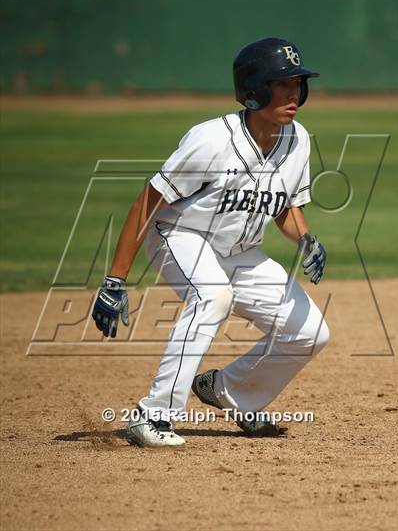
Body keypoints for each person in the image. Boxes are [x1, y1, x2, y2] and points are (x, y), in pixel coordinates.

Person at [92, 37, 329, 447]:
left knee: (309, 332)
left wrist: (305, 237)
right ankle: (153, 415)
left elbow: (283, 205)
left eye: (298, 83)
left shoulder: (298, 139)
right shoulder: (211, 140)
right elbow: (146, 203)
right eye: (283, 83)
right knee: (213, 296)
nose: (294, 92)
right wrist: (115, 280)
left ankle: (230, 392)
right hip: (180, 234)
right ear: (255, 89)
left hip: (240, 250)